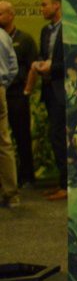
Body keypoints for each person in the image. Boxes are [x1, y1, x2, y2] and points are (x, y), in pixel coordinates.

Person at [31, 0, 66, 200]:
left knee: (60, 137)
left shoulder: (68, 30)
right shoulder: (45, 31)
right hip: (49, 91)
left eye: (44, 5)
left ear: (57, 5)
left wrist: (52, 67)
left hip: (63, 90)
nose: (41, 9)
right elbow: (43, 55)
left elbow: (72, 62)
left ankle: (66, 185)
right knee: (55, 137)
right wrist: (39, 63)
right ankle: (62, 182)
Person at [0, 1, 37, 188]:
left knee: (22, 135)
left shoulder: (25, 39)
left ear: (11, 15)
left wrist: (26, 90)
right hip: (3, 91)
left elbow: (32, 66)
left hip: (16, 94)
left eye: (0, 13)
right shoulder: (2, 36)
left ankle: (27, 176)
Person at [0, 22, 18, 207]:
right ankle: (11, 194)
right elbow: (13, 68)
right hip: (0, 90)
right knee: (4, 143)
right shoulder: (4, 36)